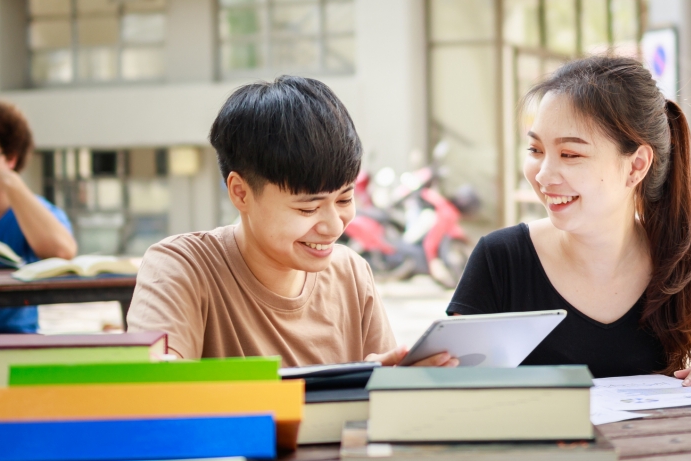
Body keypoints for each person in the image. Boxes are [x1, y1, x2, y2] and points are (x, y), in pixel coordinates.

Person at [448, 56, 691, 387]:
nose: (544, 174)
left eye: (570, 154)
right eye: (536, 150)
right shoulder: (501, 259)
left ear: (637, 164)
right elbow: (449, 385)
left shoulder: (689, 262)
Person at [127, 76, 456, 368]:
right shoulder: (179, 268)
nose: (333, 226)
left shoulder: (351, 274)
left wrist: (395, 384)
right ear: (241, 193)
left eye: (344, 199)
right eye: (308, 208)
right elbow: (156, 397)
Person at [0, 99, 76, 335]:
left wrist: (10, 182)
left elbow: (62, 252)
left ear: (11, 158)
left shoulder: (33, 209)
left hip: (15, 336)